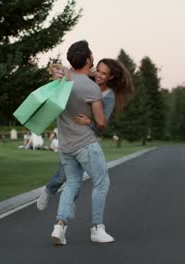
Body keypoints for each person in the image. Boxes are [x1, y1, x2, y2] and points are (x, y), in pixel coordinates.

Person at [48, 41, 133, 246]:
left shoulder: (61, 81)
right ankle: (97, 229)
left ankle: (59, 226)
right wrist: (91, 121)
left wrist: (54, 71)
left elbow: (54, 71)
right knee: (102, 183)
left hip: (66, 145)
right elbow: (101, 122)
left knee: (71, 185)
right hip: (85, 144)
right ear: (88, 60)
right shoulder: (92, 87)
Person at [37, 59, 134, 216]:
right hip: (69, 135)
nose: (99, 75)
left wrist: (88, 121)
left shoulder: (108, 97)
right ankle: (48, 191)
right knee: (63, 175)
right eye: (98, 70)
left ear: (111, 77)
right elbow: (67, 80)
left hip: (86, 139)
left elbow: (101, 125)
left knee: (75, 178)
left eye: (104, 74)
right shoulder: (87, 82)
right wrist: (59, 72)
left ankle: (67, 206)